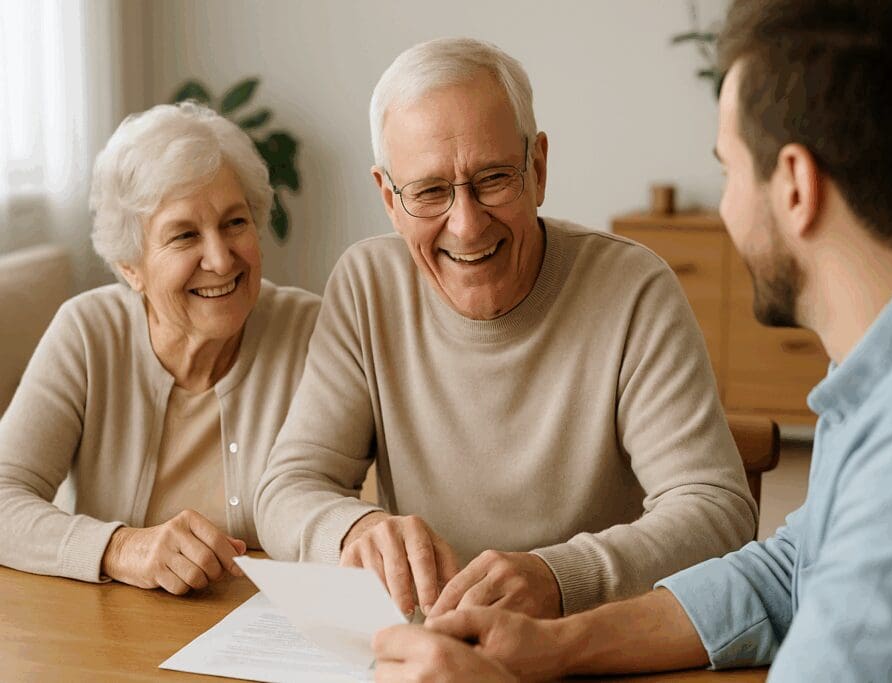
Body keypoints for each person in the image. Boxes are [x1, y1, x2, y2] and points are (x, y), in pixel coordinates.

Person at [371, 1, 892, 680]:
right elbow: (793, 571)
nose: (727, 206)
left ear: (795, 185)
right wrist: (559, 645)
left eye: (729, 170)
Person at [255, 37, 756, 619]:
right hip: (428, 651)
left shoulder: (634, 289)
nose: (466, 226)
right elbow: (287, 489)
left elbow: (716, 510)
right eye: (430, 192)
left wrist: (559, 576)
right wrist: (353, 529)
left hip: (583, 644)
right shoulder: (366, 286)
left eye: (493, 178)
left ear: (538, 169)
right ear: (389, 200)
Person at [0, 102, 320, 596]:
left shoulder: (313, 332)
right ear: (131, 266)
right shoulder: (88, 332)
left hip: (265, 634)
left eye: (235, 223)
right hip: (112, 637)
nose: (219, 258)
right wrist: (121, 548)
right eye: (184, 234)